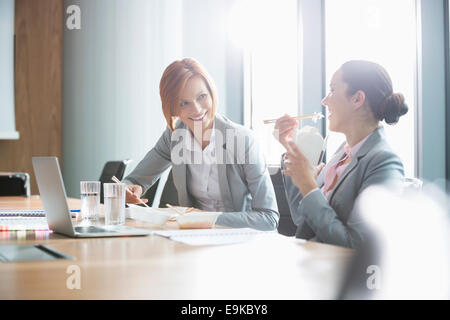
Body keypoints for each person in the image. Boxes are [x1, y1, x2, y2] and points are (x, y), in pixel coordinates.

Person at [122, 58, 279, 231]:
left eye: (201, 96)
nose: (196, 109)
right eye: (184, 103)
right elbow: (135, 179)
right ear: (172, 108)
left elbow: (268, 218)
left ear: (212, 93)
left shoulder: (243, 140)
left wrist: (204, 219)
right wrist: (129, 189)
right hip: (195, 240)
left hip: (240, 241)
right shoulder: (174, 136)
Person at [274, 60, 408, 248]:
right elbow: (302, 218)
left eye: (332, 90)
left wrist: (309, 185)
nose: (324, 100)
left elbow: (355, 246)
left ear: (357, 99)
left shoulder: (384, 162)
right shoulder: (342, 154)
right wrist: (290, 148)